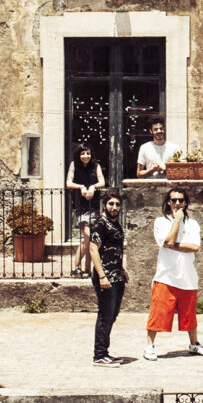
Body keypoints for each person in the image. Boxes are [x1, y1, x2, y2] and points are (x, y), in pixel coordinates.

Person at [144, 186, 203, 359]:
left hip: (187, 276)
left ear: (185, 203)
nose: (177, 204)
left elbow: (195, 247)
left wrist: (173, 246)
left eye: (180, 200)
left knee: (189, 315)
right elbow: (167, 240)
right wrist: (176, 222)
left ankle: (194, 344)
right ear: (168, 203)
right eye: (174, 200)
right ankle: (149, 346)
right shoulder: (160, 222)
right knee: (158, 313)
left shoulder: (193, 224)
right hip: (166, 276)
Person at [81, 191, 129, 366]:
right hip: (105, 277)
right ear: (104, 205)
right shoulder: (101, 224)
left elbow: (115, 249)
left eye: (117, 204)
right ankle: (99, 355)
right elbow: (93, 250)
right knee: (104, 315)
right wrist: (101, 275)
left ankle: (104, 352)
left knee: (112, 315)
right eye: (111, 204)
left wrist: (122, 269)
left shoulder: (115, 225)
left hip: (117, 276)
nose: (114, 207)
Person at [65, 146, 105, 276]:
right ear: (79, 155)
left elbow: (102, 182)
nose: (86, 156)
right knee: (88, 236)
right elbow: (68, 183)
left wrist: (93, 187)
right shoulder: (74, 165)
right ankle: (77, 266)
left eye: (88, 153)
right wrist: (81, 186)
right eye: (83, 153)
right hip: (81, 205)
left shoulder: (95, 166)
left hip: (93, 205)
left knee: (90, 239)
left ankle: (86, 268)